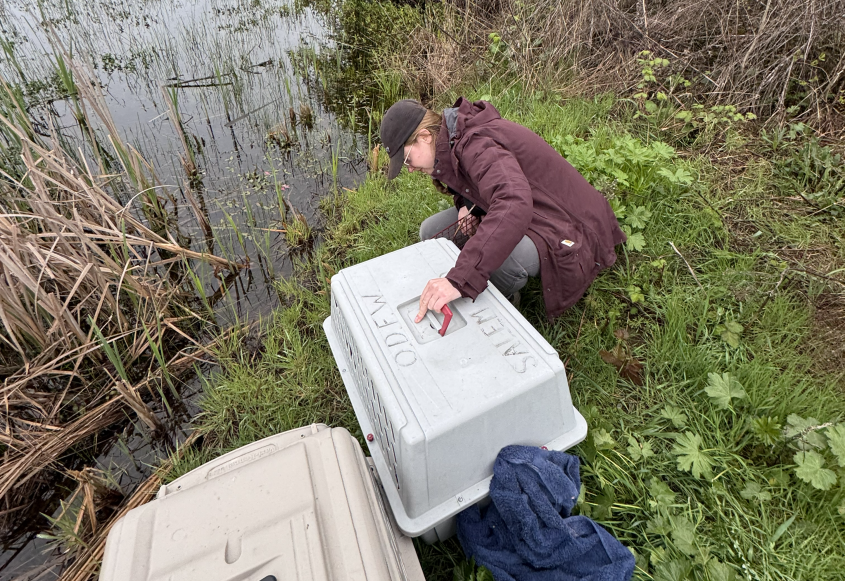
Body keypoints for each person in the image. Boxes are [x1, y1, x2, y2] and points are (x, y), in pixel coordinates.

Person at [379, 97, 626, 324]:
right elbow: (484, 180)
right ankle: (471, 282)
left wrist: (459, 279)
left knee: (504, 263)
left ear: (424, 136)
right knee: (430, 232)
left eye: (407, 159)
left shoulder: (477, 143)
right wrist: (467, 205)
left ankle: (499, 304)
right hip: (531, 206)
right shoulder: (454, 137)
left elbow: (513, 202)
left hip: (567, 222)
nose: (409, 169)